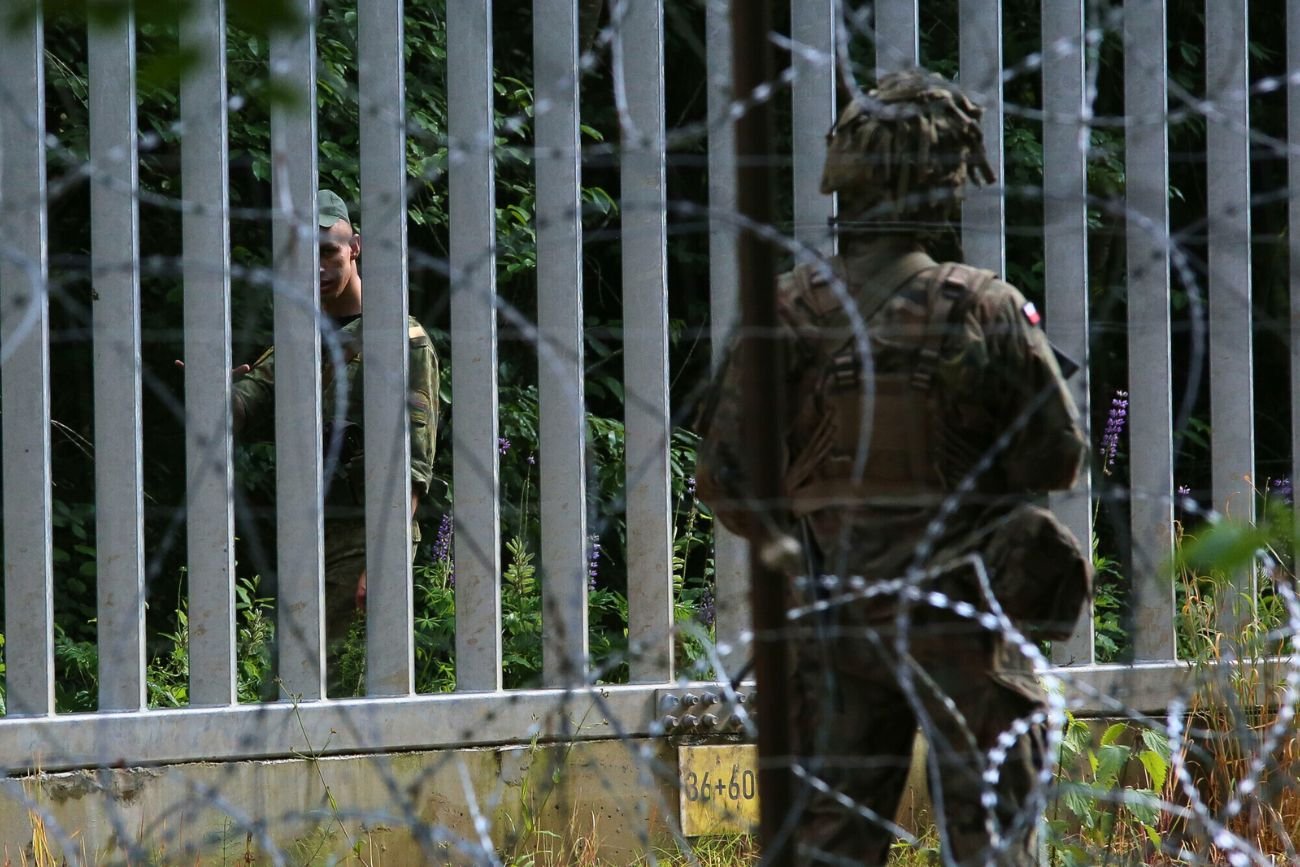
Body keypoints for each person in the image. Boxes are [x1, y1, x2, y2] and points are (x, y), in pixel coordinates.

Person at [696, 70, 1089, 865]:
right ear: (939, 187)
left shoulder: (783, 313)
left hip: (832, 613)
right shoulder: (983, 307)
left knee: (827, 844)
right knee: (995, 841)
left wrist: (819, 515)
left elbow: (725, 481)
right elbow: (1059, 455)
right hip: (963, 617)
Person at [231, 189, 439, 695]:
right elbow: (242, 407)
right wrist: (209, 389)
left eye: (329, 251)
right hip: (305, 538)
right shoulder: (300, 341)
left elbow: (414, 462)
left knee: (347, 690)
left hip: (367, 535)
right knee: (293, 690)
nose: (319, 266)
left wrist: (383, 558)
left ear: (356, 247)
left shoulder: (400, 339)